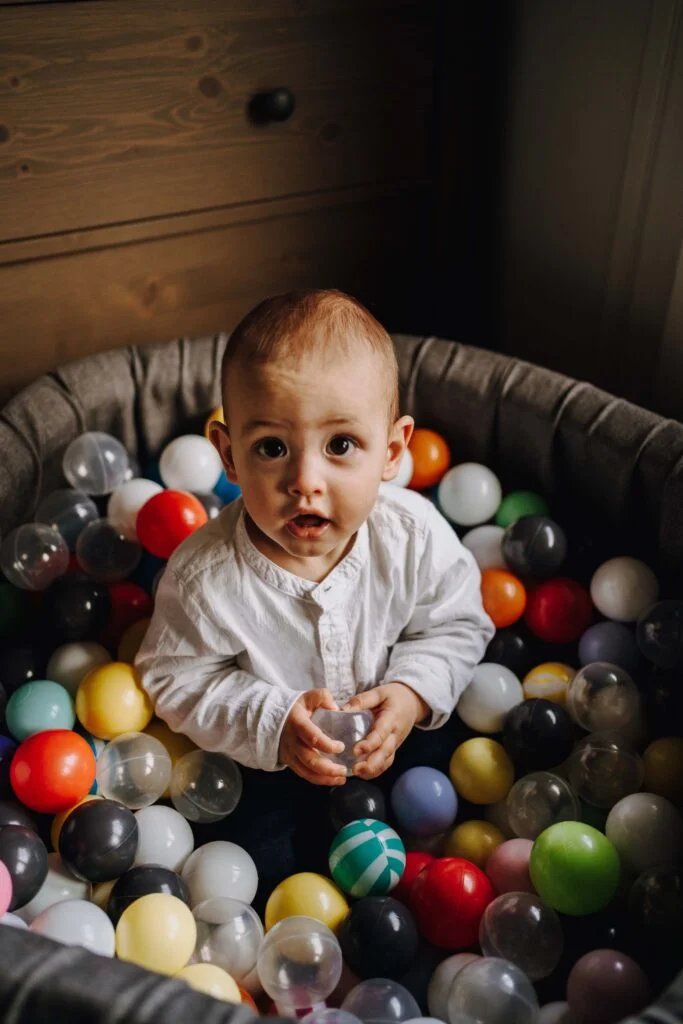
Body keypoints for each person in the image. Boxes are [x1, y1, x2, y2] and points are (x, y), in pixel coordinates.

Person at [136, 288, 494, 901]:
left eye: (340, 446)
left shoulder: (413, 536)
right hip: (272, 767)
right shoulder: (204, 577)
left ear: (392, 450)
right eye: (271, 447)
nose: (305, 482)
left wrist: (410, 694)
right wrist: (272, 722)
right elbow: (173, 677)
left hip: (400, 736)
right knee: (259, 866)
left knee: (463, 802)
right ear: (227, 453)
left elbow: (460, 624)